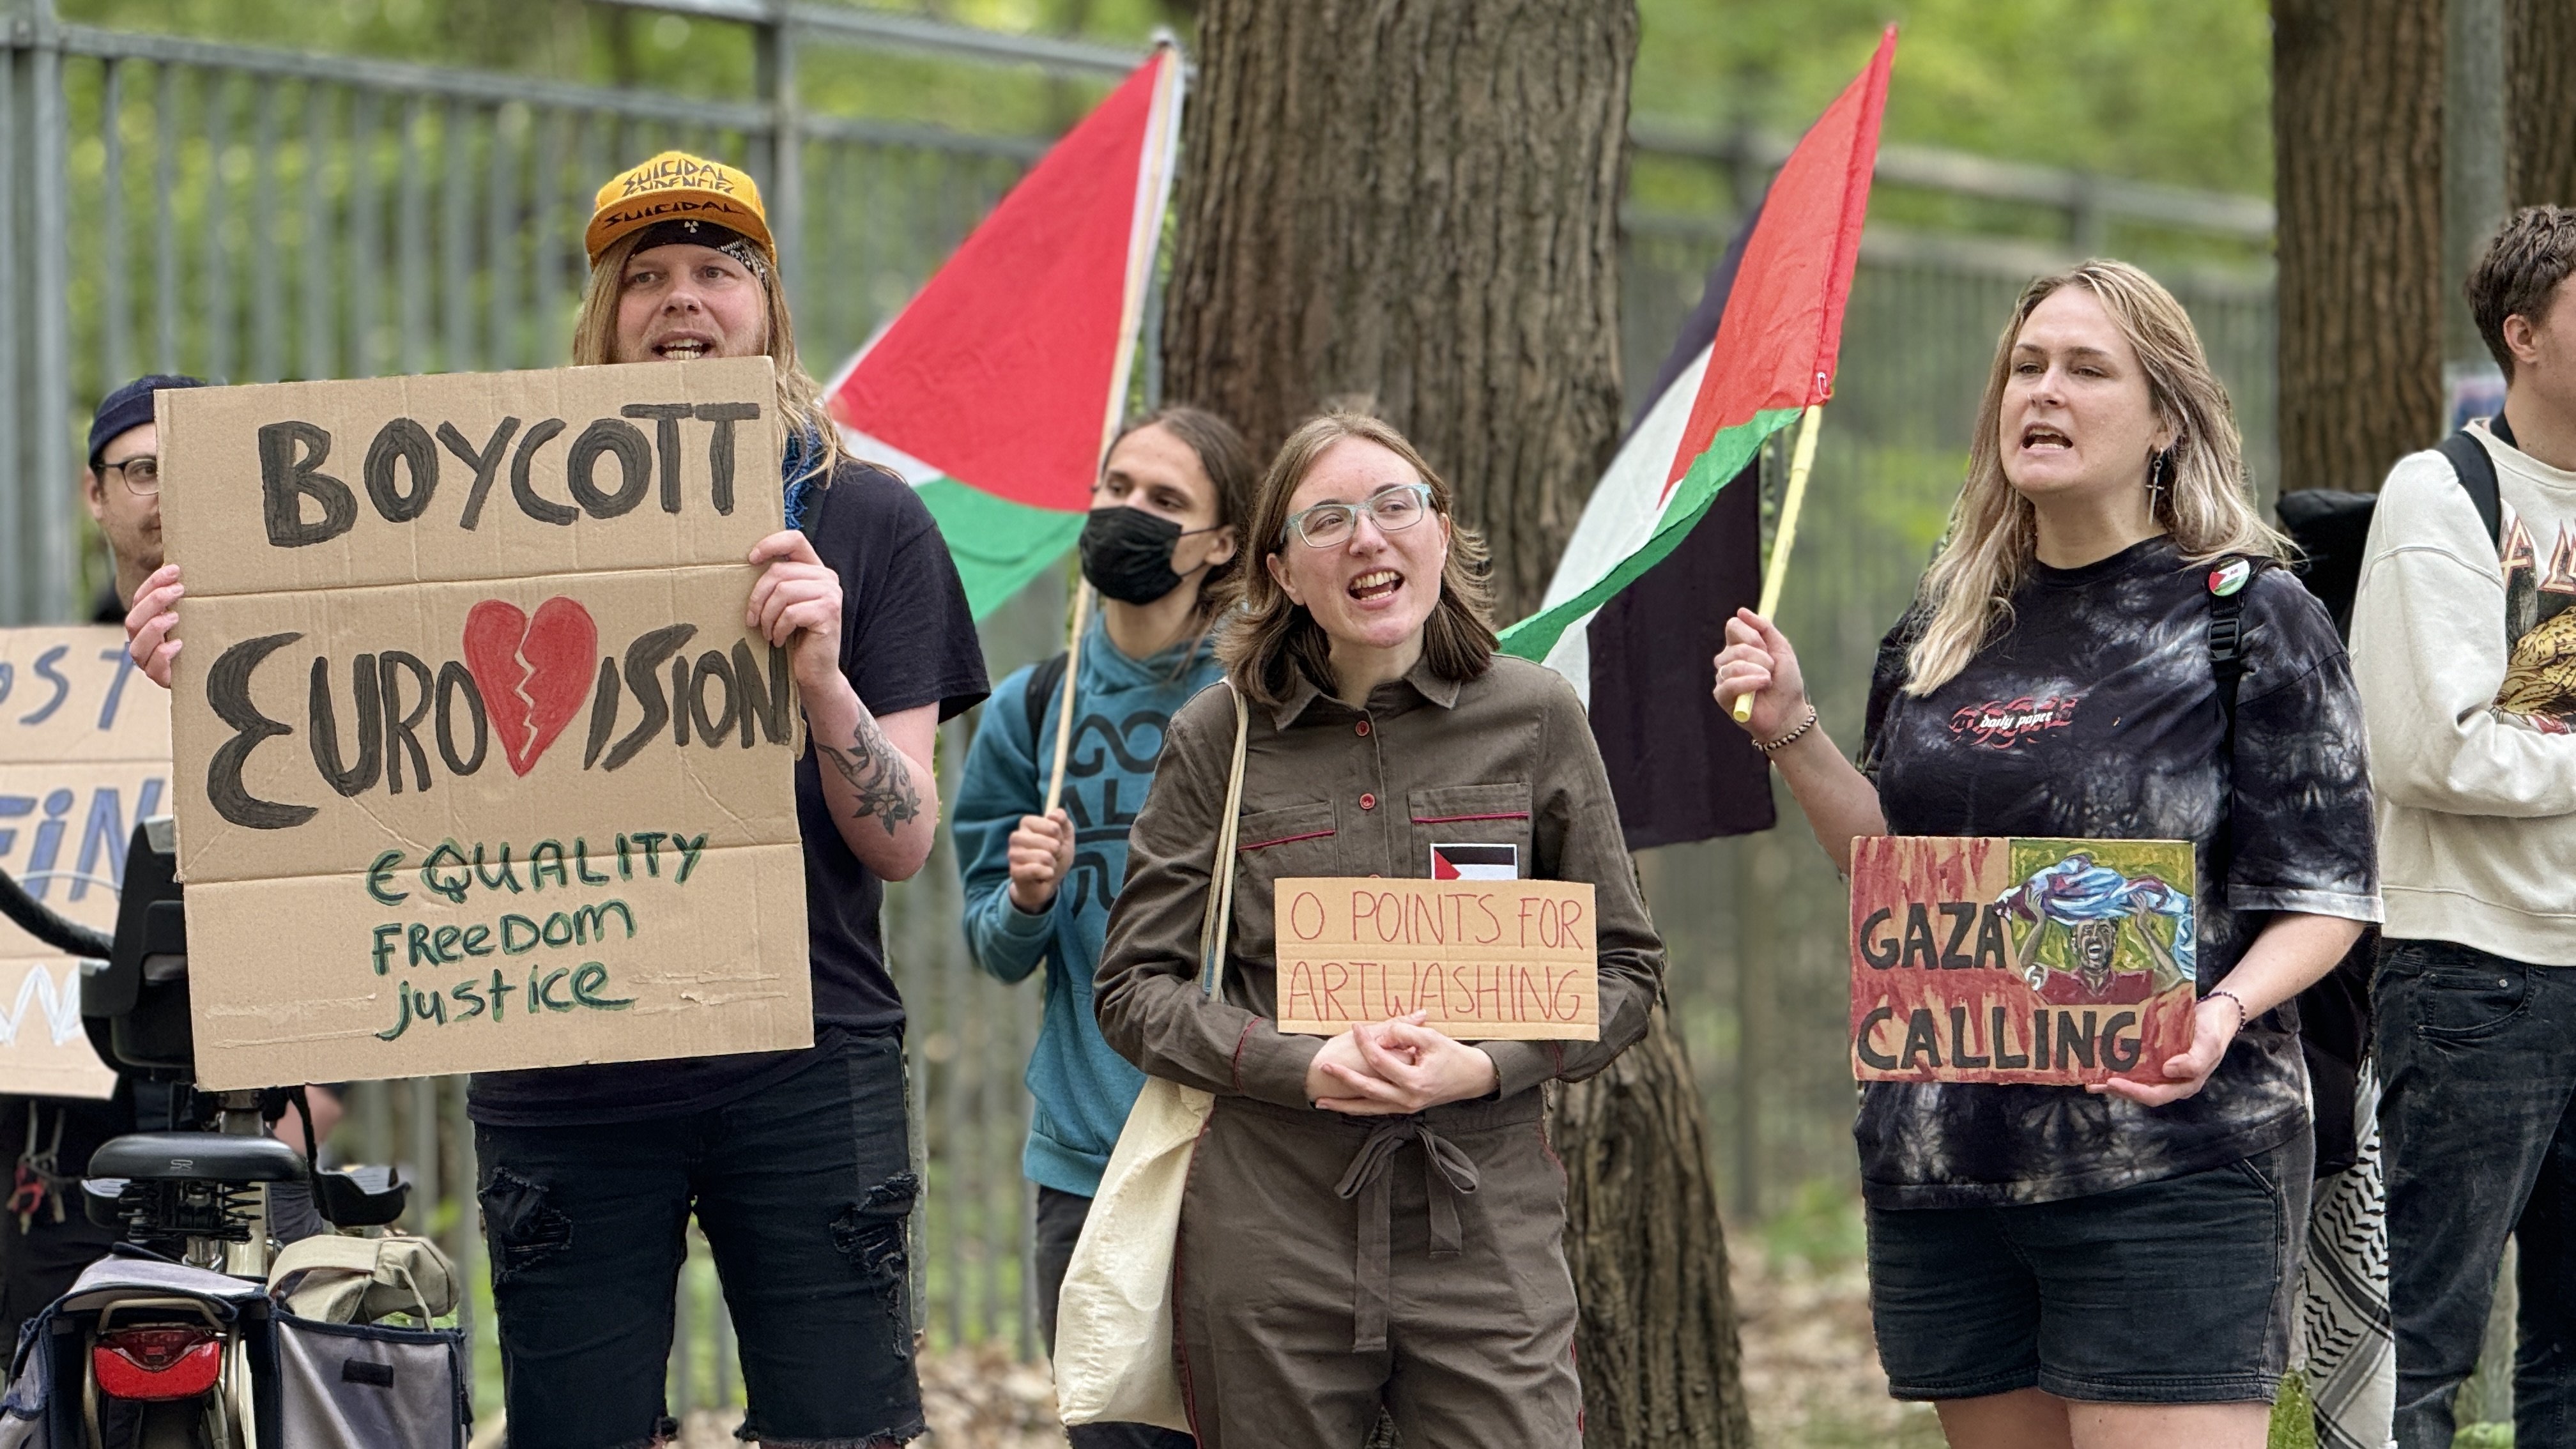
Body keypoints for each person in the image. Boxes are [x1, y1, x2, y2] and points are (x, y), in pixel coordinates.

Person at [125, 153, 988, 1448]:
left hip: (808, 1063)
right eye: (646, 277)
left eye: (716, 271)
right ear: (602, 317)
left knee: (844, 1430)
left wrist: (820, 676)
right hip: (559, 1060)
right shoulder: (483, 512)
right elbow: (360, 754)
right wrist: (212, 672)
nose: (682, 300)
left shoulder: (868, 522)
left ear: (769, 307)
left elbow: (907, 839)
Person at [1714, 260, 2379, 1448]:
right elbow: (1893, 874)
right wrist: (1794, 734)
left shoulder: (2246, 614)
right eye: (2026, 367)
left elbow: (2328, 897)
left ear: (2166, 417)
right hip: (1947, 1164)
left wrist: (2219, 1016)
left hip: (2171, 1161)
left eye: (2086, 370)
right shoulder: (1939, 626)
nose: (2045, 393)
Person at [1093, 411, 1665, 1446]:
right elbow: (1136, 988)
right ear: (1281, 572)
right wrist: (1297, 1064)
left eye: (1396, 505)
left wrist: (1487, 1065)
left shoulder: (1537, 717)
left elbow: (1625, 968)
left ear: (1441, 533)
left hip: (1485, 1227)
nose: (1369, 537)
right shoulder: (1217, 737)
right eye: (1328, 520)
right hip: (1271, 1230)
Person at [1, 376, 344, 1344]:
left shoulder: (324, 673)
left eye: (198, 466)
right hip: (64, 1140)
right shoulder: (31, 697)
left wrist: (327, 1088)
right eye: (145, 469)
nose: (169, 493)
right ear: (96, 494)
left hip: (257, 1115)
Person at [953, 406, 1252, 1449]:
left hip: (1246, 1151)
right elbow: (990, 946)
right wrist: (1026, 898)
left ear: (1221, 543)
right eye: (1116, 488)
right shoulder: (1033, 711)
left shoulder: (1261, 701)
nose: (1128, 513)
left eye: (1165, 501)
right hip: (1085, 1163)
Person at [2352, 205, 2576, 1448]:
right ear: (2525, 335)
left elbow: (2516, 731)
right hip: (2477, 977)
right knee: (2424, 1360)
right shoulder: (2443, 495)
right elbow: (2431, 747)